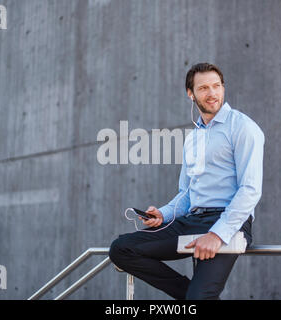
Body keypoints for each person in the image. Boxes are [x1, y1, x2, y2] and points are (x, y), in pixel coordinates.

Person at [109, 62, 265, 300]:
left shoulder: (243, 127)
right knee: (121, 249)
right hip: (193, 220)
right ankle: (189, 295)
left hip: (228, 221)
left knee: (200, 297)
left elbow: (250, 189)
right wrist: (164, 214)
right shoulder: (193, 138)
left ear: (223, 88)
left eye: (216, 86)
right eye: (203, 88)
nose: (212, 93)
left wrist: (217, 235)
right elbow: (187, 192)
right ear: (190, 94)